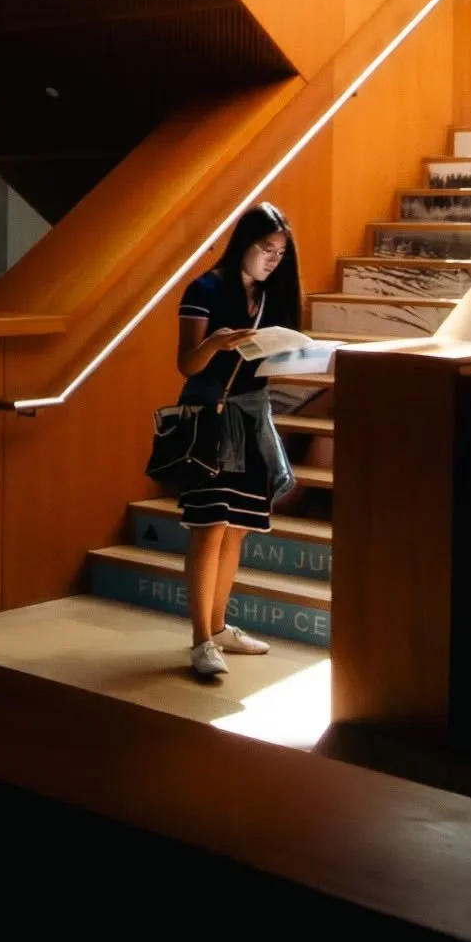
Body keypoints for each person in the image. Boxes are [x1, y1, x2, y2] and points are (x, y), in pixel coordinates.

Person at [174, 202, 299, 677]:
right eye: (265, 249)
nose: (272, 259)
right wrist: (215, 343)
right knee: (209, 526)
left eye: (280, 253)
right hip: (211, 417)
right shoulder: (205, 287)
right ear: (243, 243)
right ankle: (200, 639)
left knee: (239, 526)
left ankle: (221, 626)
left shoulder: (269, 297)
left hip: (251, 416)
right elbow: (187, 364)